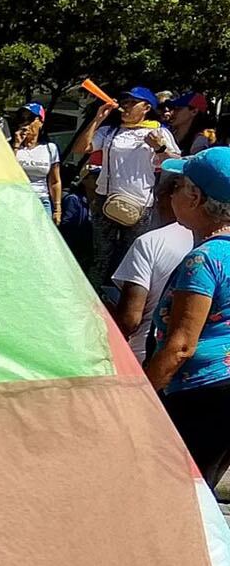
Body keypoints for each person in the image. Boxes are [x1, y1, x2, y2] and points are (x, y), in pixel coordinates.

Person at [144, 147, 230, 483]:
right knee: (202, 490)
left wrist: (140, 394)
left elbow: (180, 346)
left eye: (178, 186)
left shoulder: (204, 260)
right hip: (223, 392)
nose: (172, 193)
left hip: (199, 397)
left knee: (178, 495)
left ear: (195, 197)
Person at [71, 85, 180, 281]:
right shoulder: (110, 131)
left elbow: (175, 164)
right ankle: (95, 298)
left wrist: (160, 147)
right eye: (125, 102)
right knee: (101, 257)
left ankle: (122, 301)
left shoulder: (159, 132)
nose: (126, 106)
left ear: (146, 107)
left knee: (131, 257)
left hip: (140, 205)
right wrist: (98, 119)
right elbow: (81, 149)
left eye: (132, 102)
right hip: (106, 201)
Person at [113, 175, 195, 359]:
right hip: (211, 363)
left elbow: (130, 319)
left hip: (149, 356)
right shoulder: (219, 243)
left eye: (159, 196)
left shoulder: (150, 242)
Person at [11, 102, 61, 224]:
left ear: (40, 122)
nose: (26, 124)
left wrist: (57, 209)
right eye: (23, 119)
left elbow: (54, 181)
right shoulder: (12, 147)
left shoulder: (50, 148)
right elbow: (6, 171)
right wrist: (16, 145)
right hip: (17, 199)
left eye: (31, 119)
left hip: (41, 200)